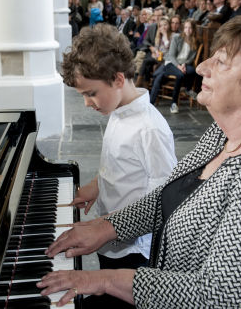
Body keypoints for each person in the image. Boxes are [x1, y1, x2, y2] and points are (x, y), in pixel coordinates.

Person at [38, 14, 241, 308]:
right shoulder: (225, 131)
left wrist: (102, 280)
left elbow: (221, 297)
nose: (202, 67)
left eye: (222, 61)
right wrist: (106, 227)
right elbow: (170, 194)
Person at [59, 23, 176, 308]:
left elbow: (164, 197)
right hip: (109, 236)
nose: (87, 103)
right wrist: (94, 187)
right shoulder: (117, 110)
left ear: (118, 78)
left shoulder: (150, 129)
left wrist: (113, 228)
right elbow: (116, 165)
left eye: (91, 93)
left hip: (133, 247)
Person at [150, 18, 198, 113]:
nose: (188, 30)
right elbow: (171, 55)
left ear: (193, 30)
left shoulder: (194, 41)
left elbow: (191, 57)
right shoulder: (177, 38)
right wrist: (179, 66)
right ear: (183, 28)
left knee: (193, 71)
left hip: (183, 63)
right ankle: (174, 103)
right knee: (180, 75)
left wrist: (184, 64)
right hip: (171, 63)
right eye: (186, 27)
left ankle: (188, 89)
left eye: (190, 28)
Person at [137, 16, 172, 89]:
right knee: (147, 63)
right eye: (161, 25)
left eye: (165, 24)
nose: (163, 27)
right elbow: (157, 47)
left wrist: (165, 35)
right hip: (159, 57)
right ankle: (145, 85)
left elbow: (168, 48)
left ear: (169, 25)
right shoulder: (159, 35)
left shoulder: (171, 36)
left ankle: (139, 82)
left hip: (166, 60)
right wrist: (155, 52)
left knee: (147, 61)